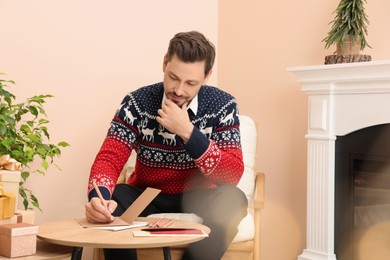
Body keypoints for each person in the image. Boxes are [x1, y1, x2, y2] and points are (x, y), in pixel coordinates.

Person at [85, 30, 248, 260]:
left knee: (234, 199)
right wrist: (97, 196)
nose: (179, 91)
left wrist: (188, 132)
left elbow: (231, 176)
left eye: (191, 83)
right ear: (164, 63)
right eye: (173, 77)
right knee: (116, 196)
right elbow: (109, 157)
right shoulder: (137, 102)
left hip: (200, 195)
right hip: (147, 194)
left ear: (207, 76)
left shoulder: (223, 105)